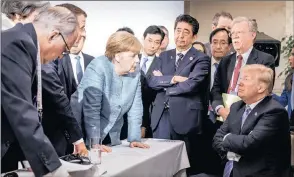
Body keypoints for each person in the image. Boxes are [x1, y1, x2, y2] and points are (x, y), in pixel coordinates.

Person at [1, 6, 79, 177]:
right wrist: (55, 170)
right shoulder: (18, 43)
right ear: (53, 35)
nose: (61, 57)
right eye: (65, 50)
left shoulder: (22, 41)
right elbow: (22, 112)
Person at [147, 14, 210, 175]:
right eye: (178, 30)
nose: (180, 36)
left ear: (194, 36)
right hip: (160, 117)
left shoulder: (201, 58)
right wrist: (174, 79)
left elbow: (192, 84)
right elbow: (151, 81)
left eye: (186, 32)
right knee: (159, 166)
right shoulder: (163, 56)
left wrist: (165, 84)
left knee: (181, 168)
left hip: (185, 118)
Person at [71, 31, 150, 151]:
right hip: (84, 130)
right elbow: (92, 110)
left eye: (138, 56)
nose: (138, 60)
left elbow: (136, 107)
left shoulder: (135, 71)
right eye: (133, 55)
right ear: (117, 56)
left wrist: (134, 138)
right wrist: (95, 142)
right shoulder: (98, 67)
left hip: (111, 132)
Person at [213, 64, 291, 177]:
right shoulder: (237, 106)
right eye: (240, 78)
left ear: (261, 88)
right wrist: (231, 154)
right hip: (233, 169)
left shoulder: (274, 111)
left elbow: (249, 143)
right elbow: (217, 138)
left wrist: (227, 137)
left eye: (246, 79)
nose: (239, 83)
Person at [41, 3, 91, 157]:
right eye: (81, 27)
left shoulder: (64, 55)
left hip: (61, 139)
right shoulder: (47, 55)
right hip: (43, 139)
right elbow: (58, 97)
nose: (82, 33)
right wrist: (78, 139)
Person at [210, 17, 275, 121]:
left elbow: (263, 92)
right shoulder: (225, 61)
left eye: (239, 32)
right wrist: (220, 109)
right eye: (233, 33)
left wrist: (237, 112)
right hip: (223, 118)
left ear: (253, 35)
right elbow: (216, 90)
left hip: (248, 119)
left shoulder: (265, 60)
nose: (235, 36)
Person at [139, 25, 165, 138]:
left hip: (150, 115)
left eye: (157, 42)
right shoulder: (132, 58)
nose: (152, 45)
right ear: (143, 39)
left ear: (160, 44)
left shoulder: (162, 64)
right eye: (149, 41)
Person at [273, 47, 294, 119]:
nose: (289, 58)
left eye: (293, 54)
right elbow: (283, 102)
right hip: (291, 123)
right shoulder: (289, 78)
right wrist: (268, 93)